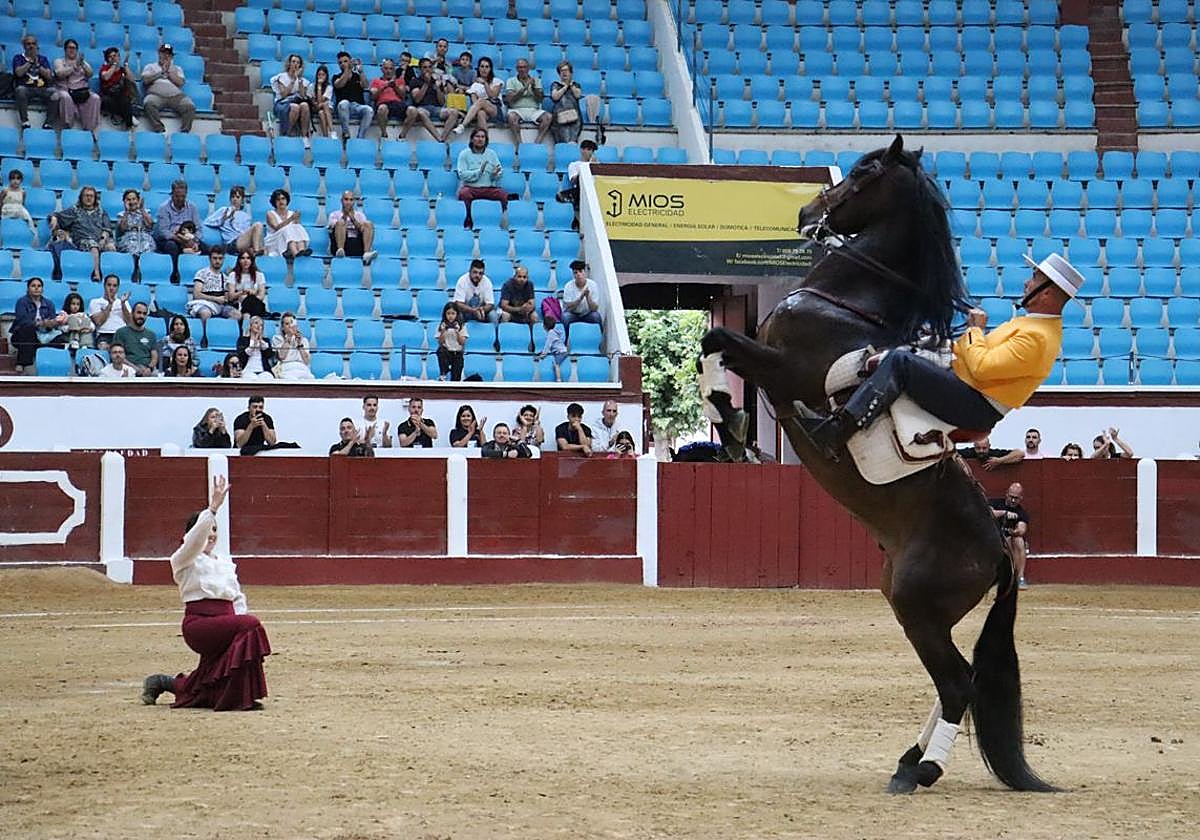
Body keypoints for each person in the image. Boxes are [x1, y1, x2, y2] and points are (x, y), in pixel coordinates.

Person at [800, 252, 1085, 461]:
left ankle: (837, 433)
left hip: (974, 404)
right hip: (965, 385)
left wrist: (975, 332)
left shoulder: (1039, 337)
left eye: (1034, 277)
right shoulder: (1033, 325)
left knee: (902, 364)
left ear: (1047, 293)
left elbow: (983, 368)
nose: (1027, 282)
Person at [138, 476, 271, 712]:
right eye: (207, 530)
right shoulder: (183, 559)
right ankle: (238, 695)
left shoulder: (225, 563)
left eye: (215, 530)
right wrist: (212, 509)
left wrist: (237, 627)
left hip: (227, 626)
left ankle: (161, 682)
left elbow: (237, 598)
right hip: (201, 627)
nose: (212, 534)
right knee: (251, 625)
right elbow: (194, 541)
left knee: (207, 683)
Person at [49, 185, 113, 281]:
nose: (88, 198)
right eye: (86, 195)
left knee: (111, 248)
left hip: (100, 239)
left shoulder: (102, 212)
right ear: (81, 197)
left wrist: (103, 239)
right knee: (93, 246)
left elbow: (107, 228)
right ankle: (96, 274)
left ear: (95, 198)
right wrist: (54, 217)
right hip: (82, 240)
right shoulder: (74, 210)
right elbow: (57, 215)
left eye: (91, 196)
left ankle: (111, 280)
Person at [455, 127, 509, 229]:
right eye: (477, 136)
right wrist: (479, 172)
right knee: (464, 193)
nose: (480, 139)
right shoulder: (464, 154)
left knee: (503, 195)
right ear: (472, 139)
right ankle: (468, 222)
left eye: (483, 137)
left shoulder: (491, 154)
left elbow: (499, 171)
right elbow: (462, 174)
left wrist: (494, 174)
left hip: (489, 188)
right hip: (471, 188)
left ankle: (499, 222)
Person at [11, 277, 65, 373]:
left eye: (39, 286)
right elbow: (22, 321)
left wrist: (52, 323)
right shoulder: (22, 302)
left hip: (44, 334)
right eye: (33, 286)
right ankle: (23, 364)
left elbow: (52, 320)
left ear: (42, 289)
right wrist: (39, 323)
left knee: (61, 339)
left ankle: (52, 367)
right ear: (28, 289)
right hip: (22, 334)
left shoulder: (49, 303)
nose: (36, 288)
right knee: (29, 330)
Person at [155, 180, 205, 281]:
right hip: (170, 239)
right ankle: (175, 274)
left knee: (207, 248)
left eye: (183, 196)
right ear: (172, 194)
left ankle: (203, 277)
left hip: (189, 238)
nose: (180, 199)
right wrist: (181, 240)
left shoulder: (192, 207)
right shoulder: (164, 208)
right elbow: (163, 231)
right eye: (177, 196)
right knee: (172, 246)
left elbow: (199, 229)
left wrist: (195, 241)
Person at [401, 57, 461, 141]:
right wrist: (426, 83)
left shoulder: (436, 81)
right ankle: (438, 138)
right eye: (425, 67)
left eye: (429, 67)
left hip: (436, 108)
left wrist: (437, 88)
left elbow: (442, 102)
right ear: (420, 69)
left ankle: (443, 137)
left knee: (454, 112)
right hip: (422, 107)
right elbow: (417, 99)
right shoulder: (415, 81)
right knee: (421, 113)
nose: (427, 69)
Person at [140, 43, 196, 133]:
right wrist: (160, 73)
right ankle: (159, 129)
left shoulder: (177, 69)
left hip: (175, 96)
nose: (165, 56)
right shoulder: (150, 66)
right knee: (148, 103)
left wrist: (169, 72)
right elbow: (145, 81)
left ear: (171, 56)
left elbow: (180, 83)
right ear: (159, 54)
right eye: (163, 53)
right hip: (156, 95)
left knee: (190, 106)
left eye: (168, 54)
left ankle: (184, 132)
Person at [989, 482, 1031, 590]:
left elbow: (1022, 529)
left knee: (1019, 541)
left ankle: (1019, 577)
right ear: (1006, 494)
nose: (1013, 500)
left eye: (1016, 498)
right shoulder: (995, 503)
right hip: (991, 540)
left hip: (1008, 543)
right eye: (1011, 497)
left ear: (1020, 498)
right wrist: (1004, 513)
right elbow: (987, 513)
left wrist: (1015, 532)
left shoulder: (1021, 513)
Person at [52, 39, 100, 132]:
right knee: (65, 97)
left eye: (74, 48)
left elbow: (90, 74)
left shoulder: (82, 62)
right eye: (70, 48)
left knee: (95, 98)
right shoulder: (59, 61)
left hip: (81, 91)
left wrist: (82, 64)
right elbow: (59, 73)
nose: (72, 50)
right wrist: (74, 66)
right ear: (65, 49)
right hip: (65, 90)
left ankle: (90, 129)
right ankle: (67, 126)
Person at [12, 34, 58, 130]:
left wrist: (38, 65)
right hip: (26, 88)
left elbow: (49, 76)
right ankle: (25, 121)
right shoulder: (18, 58)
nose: (31, 46)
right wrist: (30, 62)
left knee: (55, 93)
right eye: (28, 44)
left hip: (42, 88)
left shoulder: (43, 59)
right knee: (20, 90)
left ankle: (48, 123)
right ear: (24, 46)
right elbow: (19, 73)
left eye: (33, 44)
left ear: (37, 46)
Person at [205, 186, 266, 256]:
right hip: (231, 244)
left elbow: (245, 233)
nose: (235, 199)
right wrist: (223, 219)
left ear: (242, 200)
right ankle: (256, 252)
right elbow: (207, 222)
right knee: (257, 225)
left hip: (243, 241)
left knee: (263, 240)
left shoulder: (246, 216)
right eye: (233, 197)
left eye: (237, 197)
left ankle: (256, 252)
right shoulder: (224, 210)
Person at [504, 58, 551, 145]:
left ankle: (537, 144)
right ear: (517, 69)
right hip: (517, 110)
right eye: (520, 67)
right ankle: (519, 144)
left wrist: (533, 88)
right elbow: (510, 99)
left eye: (524, 67)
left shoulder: (536, 80)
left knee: (548, 117)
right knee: (511, 117)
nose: (522, 70)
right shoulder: (511, 81)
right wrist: (524, 88)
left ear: (528, 68)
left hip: (534, 110)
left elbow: (540, 99)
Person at [233, 395, 299, 455]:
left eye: (260, 407)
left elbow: (272, 442)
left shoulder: (267, 418)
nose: (258, 409)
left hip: (259, 449)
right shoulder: (241, 419)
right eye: (255, 407)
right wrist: (251, 426)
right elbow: (239, 444)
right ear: (249, 408)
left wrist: (263, 425)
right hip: (242, 452)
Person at [187, 245, 237, 323]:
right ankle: (205, 334)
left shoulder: (225, 277)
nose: (217, 261)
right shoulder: (201, 273)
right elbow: (196, 295)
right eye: (215, 258)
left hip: (220, 306)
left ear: (223, 259)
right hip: (204, 303)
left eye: (220, 258)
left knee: (237, 315)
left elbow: (227, 297)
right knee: (205, 313)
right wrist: (216, 299)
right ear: (210, 259)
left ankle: (222, 332)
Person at [327, 190, 377, 264]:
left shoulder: (360, 215)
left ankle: (366, 253)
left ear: (354, 202)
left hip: (357, 244)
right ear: (341, 201)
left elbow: (363, 230)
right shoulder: (334, 214)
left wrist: (353, 219)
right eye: (346, 199)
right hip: (340, 245)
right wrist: (344, 216)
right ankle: (340, 251)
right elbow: (332, 229)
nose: (348, 202)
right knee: (340, 223)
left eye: (351, 200)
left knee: (368, 224)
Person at [271, 53, 312, 141]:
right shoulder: (281, 77)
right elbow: (283, 94)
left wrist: (299, 80)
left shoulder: (303, 80)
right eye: (293, 61)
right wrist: (293, 80)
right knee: (295, 107)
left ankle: (305, 136)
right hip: (282, 103)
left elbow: (303, 96)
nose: (295, 64)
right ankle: (286, 134)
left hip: (296, 101)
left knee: (305, 105)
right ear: (289, 63)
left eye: (298, 62)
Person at [332, 51, 373, 140]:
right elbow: (340, 84)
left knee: (369, 110)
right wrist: (348, 69)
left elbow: (365, 86)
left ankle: (360, 137)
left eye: (345, 61)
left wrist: (361, 72)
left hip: (357, 106)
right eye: (340, 63)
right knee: (344, 103)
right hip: (343, 107)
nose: (343, 64)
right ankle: (346, 133)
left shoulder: (357, 76)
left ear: (350, 61)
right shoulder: (336, 76)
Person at [459, 56, 504, 133]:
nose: (484, 69)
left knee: (481, 101)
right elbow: (474, 103)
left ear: (490, 69)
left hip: (495, 109)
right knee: (481, 113)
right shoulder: (475, 85)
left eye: (487, 67)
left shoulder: (497, 81)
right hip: (482, 110)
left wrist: (485, 83)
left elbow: (493, 96)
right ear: (479, 68)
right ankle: (485, 141)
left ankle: (463, 125)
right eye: (482, 66)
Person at [558, 138, 596, 230]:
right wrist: (586, 169)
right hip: (579, 189)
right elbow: (574, 180)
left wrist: (594, 166)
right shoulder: (574, 165)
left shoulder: (595, 164)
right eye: (587, 149)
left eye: (591, 150)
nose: (589, 152)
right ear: (582, 150)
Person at [112, 300, 159, 376]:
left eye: (144, 314)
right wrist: (134, 368)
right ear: (132, 313)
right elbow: (118, 355)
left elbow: (154, 356)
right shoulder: (121, 332)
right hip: (127, 367)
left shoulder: (151, 334)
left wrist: (149, 368)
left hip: (148, 369)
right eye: (139, 313)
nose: (141, 316)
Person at [264, 189, 311, 260]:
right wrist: (291, 219)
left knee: (297, 227)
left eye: (283, 199)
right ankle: (295, 253)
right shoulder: (270, 213)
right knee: (287, 228)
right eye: (278, 199)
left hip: (289, 240)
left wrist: (297, 220)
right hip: (274, 240)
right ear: (274, 202)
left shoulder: (292, 213)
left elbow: (298, 231)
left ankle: (301, 250)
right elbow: (276, 228)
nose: (281, 201)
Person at [98, 46, 138, 128]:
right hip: (109, 95)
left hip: (121, 95)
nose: (113, 58)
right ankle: (129, 116)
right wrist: (114, 65)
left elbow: (132, 80)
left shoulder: (122, 70)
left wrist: (126, 65)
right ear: (107, 59)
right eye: (110, 57)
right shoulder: (104, 68)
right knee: (106, 101)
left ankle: (129, 125)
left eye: (115, 56)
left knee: (125, 101)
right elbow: (106, 77)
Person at [88, 273, 132, 348]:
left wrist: (123, 304)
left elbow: (130, 322)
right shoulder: (95, 302)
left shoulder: (124, 302)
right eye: (109, 285)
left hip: (122, 334)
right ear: (104, 286)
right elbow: (98, 322)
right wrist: (110, 304)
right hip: (104, 335)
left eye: (114, 286)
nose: (111, 288)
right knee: (103, 347)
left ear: (118, 288)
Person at [369, 59, 407, 140]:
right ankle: (384, 135)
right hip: (383, 103)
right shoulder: (376, 81)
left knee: (413, 111)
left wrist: (395, 86)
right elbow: (373, 97)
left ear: (394, 69)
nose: (388, 71)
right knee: (382, 108)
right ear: (382, 69)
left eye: (391, 68)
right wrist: (384, 86)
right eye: (386, 68)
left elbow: (403, 96)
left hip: (398, 105)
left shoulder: (400, 80)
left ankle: (402, 136)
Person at [561, 259, 602, 333]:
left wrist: (587, 296)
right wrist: (580, 298)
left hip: (587, 314)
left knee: (596, 316)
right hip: (573, 314)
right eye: (575, 273)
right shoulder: (568, 286)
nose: (578, 274)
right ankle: (566, 340)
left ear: (584, 272)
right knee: (566, 317)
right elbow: (568, 308)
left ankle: (599, 341)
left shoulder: (593, 285)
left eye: (580, 271)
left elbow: (594, 308)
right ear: (573, 275)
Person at [225, 249, 268, 319]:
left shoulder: (259, 275)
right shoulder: (233, 275)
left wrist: (250, 295)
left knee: (250, 302)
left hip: (257, 303)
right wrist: (243, 292)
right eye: (243, 258)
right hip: (239, 304)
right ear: (239, 260)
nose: (245, 261)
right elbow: (231, 296)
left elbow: (261, 296)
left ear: (252, 260)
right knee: (247, 310)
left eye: (248, 258)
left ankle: (246, 323)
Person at [453, 258, 498, 323]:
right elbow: (458, 303)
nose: (477, 275)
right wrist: (473, 310)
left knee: (493, 315)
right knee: (458, 315)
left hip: (481, 312)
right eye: (475, 272)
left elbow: (490, 304)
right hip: (466, 312)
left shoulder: (487, 282)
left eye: (480, 273)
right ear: (470, 271)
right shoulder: (462, 281)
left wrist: (482, 310)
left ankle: (494, 332)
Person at [548, 60, 583, 144]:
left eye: (566, 70)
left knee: (573, 142)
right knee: (563, 141)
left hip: (574, 118)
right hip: (560, 117)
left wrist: (570, 85)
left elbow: (577, 95)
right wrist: (565, 86)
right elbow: (555, 97)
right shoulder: (555, 85)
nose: (564, 73)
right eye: (562, 71)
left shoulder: (576, 85)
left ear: (571, 72)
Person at [271, 312, 314, 379]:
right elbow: (282, 356)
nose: (290, 326)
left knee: (310, 379)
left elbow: (307, 361)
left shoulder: (304, 340)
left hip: (302, 368)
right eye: (287, 324)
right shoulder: (277, 338)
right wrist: (289, 338)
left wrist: (300, 344)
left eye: (291, 323)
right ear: (282, 327)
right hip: (286, 368)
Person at [116, 189, 157, 256]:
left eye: (134, 199)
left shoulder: (146, 212)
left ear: (138, 200)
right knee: (132, 249)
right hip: (128, 238)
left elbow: (150, 225)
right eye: (128, 200)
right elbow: (123, 229)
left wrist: (142, 209)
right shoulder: (121, 215)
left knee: (147, 248)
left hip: (145, 237)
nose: (132, 202)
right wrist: (127, 211)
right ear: (124, 202)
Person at [235, 315, 277, 380]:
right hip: (247, 370)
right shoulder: (242, 340)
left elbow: (269, 355)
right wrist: (253, 345)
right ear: (250, 325)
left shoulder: (266, 341)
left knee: (268, 377)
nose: (258, 326)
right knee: (251, 378)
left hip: (263, 370)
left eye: (261, 325)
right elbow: (241, 357)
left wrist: (261, 341)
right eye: (256, 323)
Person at [435, 301, 468, 381]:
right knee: (440, 351)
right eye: (448, 313)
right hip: (446, 353)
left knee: (456, 378)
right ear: (445, 314)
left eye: (453, 313)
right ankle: (443, 373)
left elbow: (462, 342)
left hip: (457, 353)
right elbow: (440, 342)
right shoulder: (441, 326)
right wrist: (443, 331)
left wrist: (457, 332)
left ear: (456, 314)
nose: (450, 316)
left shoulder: (461, 326)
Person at [955, 435, 1023, 471]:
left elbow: (1020, 454)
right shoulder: (968, 452)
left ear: (989, 446)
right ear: (974, 446)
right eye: (978, 448)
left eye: (984, 448)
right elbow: (951, 453)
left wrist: (999, 461)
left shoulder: (994, 453)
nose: (981, 451)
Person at [535, 314, 567, 379]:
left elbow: (548, 345)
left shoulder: (551, 333)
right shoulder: (554, 332)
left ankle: (559, 380)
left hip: (561, 352)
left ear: (544, 326)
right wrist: (542, 352)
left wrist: (543, 355)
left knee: (556, 365)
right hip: (563, 351)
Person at [311, 64, 335, 139]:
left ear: (326, 76)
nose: (321, 76)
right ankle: (332, 131)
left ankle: (327, 135)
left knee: (322, 111)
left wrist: (319, 86)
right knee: (323, 106)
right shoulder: (312, 86)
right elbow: (314, 101)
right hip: (316, 107)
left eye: (323, 75)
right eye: (319, 74)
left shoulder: (329, 87)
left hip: (327, 108)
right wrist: (318, 86)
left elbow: (321, 100)